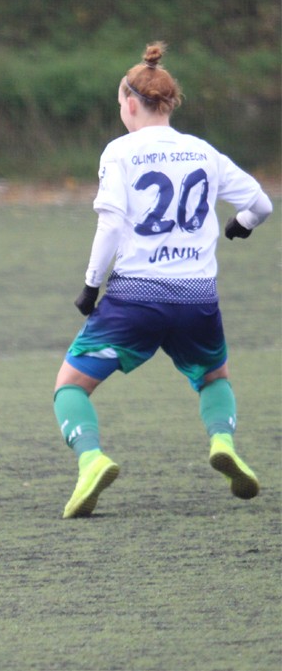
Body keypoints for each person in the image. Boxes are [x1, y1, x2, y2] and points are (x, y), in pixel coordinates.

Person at [53, 42, 273, 519]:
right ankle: (223, 442)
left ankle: (91, 461)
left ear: (131, 104)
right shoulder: (204, 152)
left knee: (70, 385)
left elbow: (111, 223)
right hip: (196, 295)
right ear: (169, 104)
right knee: (213, 376)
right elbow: (261, 204)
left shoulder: (120, 152)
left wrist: (91, 285)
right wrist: (241, 225)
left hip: (136, 297)